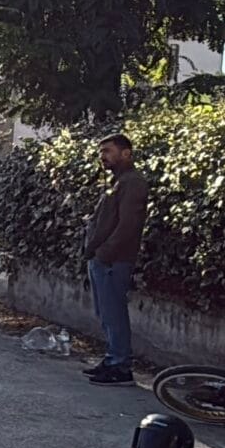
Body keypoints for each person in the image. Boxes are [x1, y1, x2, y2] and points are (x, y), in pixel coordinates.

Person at [81, 133, 147, 386]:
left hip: (114, 260)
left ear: (126, 153)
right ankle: (112, 360)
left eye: (108, 151)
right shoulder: (118, 181)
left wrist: (105, 253)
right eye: (101, 152)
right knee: (106, 313)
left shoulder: (133, 182)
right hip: (103, 259)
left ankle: (120, 366)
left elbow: (128, 224)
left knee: (114, 313)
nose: (103, 156)